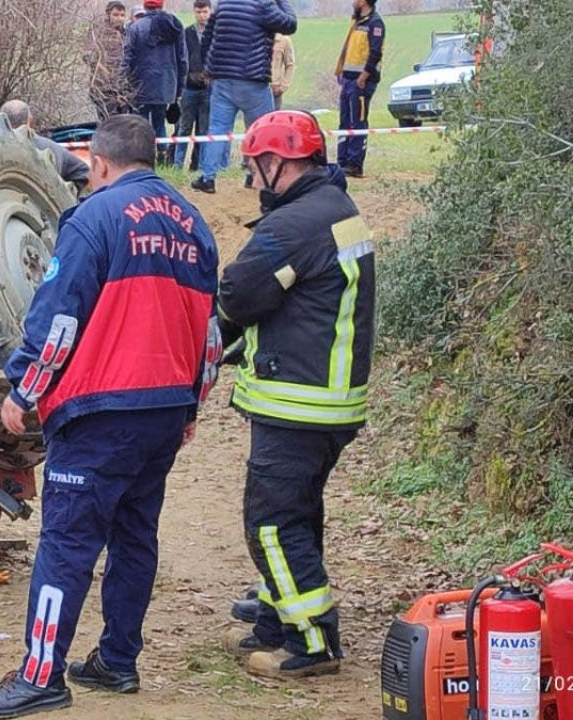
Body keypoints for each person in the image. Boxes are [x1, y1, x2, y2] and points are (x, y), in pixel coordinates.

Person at [0, 114, 220, 719]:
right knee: (135, 534)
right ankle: (117, 659)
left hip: (100, 410)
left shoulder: (95, 218)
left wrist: (24, 390)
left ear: (99, 164)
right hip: (164, 409)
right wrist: (191, 406)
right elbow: (210, 334)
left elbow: (59, 318)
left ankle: (40, 675)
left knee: (66, 543)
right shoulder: (196, 225)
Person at [215, 110, 375, 679]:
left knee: (272, 522)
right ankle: (274, 619)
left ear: (278, 162)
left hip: (298, 402)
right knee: (298, 514)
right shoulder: (337, 210)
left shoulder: (291, 227)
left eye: (255, 168)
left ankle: (310, 644)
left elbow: (237, 295)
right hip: (331, 401)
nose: (251, 180)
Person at [191, 0, 297, 194]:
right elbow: (290, 24)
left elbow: (207, 37)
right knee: (261, 130)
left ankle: (208, 178)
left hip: (222, 79)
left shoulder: (222, 5)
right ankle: (257, 176)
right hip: (253, 79)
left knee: (217, 130)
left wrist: (208, 68)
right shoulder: (263, 5)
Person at [122, 0, 186, 165]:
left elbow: (127, 58)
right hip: (166, 83)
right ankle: (162, 156)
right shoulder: (175, 25)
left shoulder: (136, 27)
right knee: (159, 122)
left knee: (139, 123)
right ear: (161, 5)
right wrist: (179, 89)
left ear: (145, 6)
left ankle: (142, 159)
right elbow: (182, 59)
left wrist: (123, 83)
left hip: (140, 84)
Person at [334, 0, 385, 178]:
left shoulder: (375, 23)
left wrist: (363, 77)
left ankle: (355, 164)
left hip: (361, 82)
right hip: (348, 79)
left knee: (358, 121)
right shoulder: (356, 22)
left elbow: (376, 52)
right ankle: (342, 161)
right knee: (345, 121)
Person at [0, 100, 90, 190]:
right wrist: (67, 194)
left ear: (0, 121)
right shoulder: (50, 147)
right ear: (30, 121)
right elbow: (83, 171)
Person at [174, 0, 213, 171]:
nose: (201, 15)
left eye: (204, 12)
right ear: (194, 12)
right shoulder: (186, 32)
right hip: (189, 88)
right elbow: (181, 57)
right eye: (198, 12)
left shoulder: (215, 33)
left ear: (210, 12)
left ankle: (201, 166)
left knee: (204, 131)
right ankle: (177, 165)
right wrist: (188, 76)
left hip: (208, 89)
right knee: (184, 129)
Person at [84, 1, 131, 122]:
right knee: (108, 122)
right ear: (108, 14)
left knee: (124, 124)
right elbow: (87, 55)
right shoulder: (98, 32)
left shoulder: (127, 34)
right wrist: (101, 66)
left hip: (124, 88)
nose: (119, 18)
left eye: (122, 15)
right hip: (103, 88)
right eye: (115, 15)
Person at [272, 33, 297, 110]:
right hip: (257, 88)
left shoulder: (284, 40)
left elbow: (290, 65)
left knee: (274, 119)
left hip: (274, 90)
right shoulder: (256, 37)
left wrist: (283, 86)